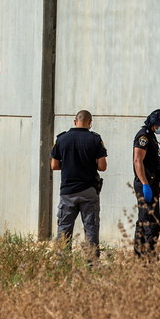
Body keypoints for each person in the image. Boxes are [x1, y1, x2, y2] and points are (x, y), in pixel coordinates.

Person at [50, 109, 108, 256]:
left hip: (68, 192)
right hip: (89, 191)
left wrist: (69, 165)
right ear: (90, 122)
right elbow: (102, 166)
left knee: (64, 229)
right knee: (91, 229)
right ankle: (92, 264)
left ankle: (62, 263)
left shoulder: (62, 139)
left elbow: (54, 166)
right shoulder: (95, 139)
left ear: (75, 121)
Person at [132, 108, 160, 257]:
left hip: (151, 183)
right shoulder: (143, 136)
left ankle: (140, 256)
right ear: (153, 123)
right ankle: (149, 259)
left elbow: (149, 160)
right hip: (146, 183)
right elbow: (138, 161)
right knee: (150, 223)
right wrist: (145, 184)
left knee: (145, 220)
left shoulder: (150, 136)